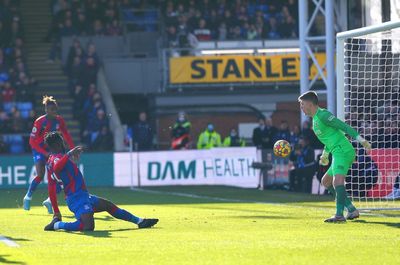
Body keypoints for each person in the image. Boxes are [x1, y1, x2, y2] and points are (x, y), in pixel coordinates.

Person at [43, 131, 158, 231]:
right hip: (76, 198)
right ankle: (58, 225)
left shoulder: (49, 162)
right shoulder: (57, 158)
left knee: (108, 205)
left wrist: (56, 212)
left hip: (82, 196)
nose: (64, 144)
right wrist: (69, 154)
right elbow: (58, 167)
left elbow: (51, 188)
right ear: (58, 143)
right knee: (88, 226)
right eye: (62, 141)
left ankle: (140, 221)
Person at [298, 91, 371, 222]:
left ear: (310, 104)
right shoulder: (315, 120)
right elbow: (329, 139)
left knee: (337, 181)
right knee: (325, 181)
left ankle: (339, 215)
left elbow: (343, 126)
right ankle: (351, 209)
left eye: (302, 104)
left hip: (342, 150)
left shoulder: (323, 115)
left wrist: (361, 140)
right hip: (336, 150)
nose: (301, 107)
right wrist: (325, 155)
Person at [23, 96, 75, 216]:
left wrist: (72, 148)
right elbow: (32, 142)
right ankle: (28, 197)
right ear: (46, 109)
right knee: (40, 175)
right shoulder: (40, 122)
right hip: (39, 150)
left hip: (52, 151)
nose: (54, 112)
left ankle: (48, 201)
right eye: (52, 109)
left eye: (55, 110)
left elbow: (66, 134)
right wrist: (43, 152)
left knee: (60, 177)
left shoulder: (59, 120)